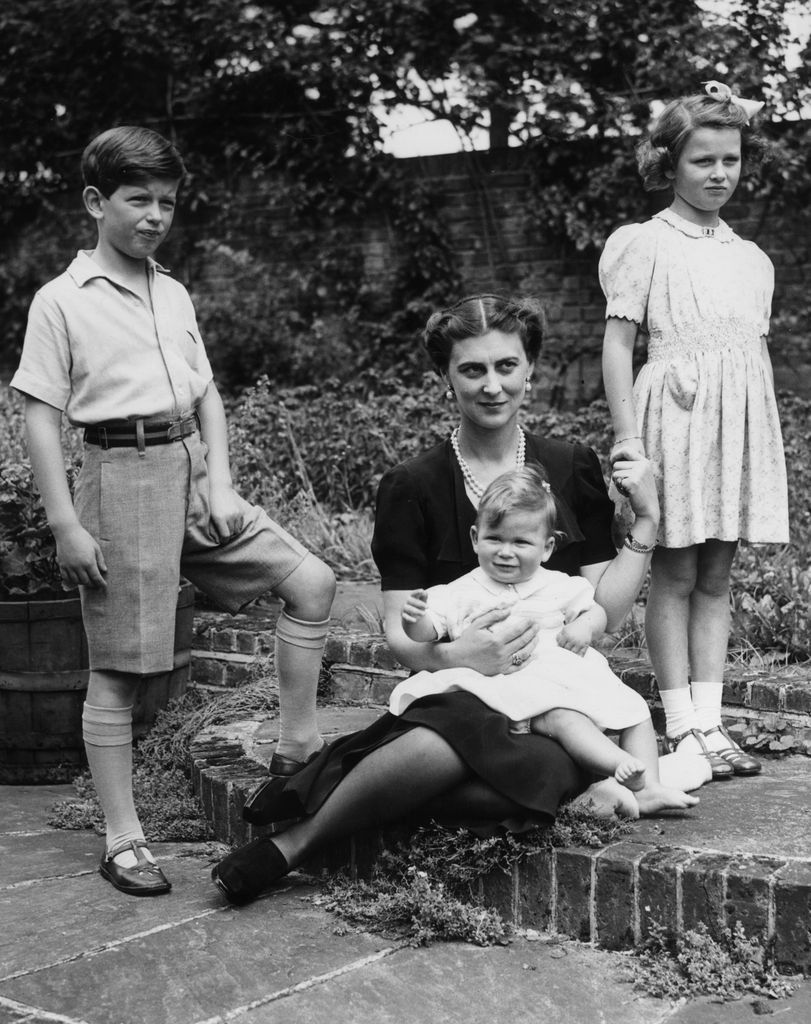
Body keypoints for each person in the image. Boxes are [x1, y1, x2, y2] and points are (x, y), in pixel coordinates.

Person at [211, 293, 697, 907]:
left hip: (555, 704)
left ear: (529, 370)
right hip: (458, 699)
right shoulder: (412, 487)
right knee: (461, 735)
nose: (492, 386)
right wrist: (463, 655)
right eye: (472, 370)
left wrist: (647, 520)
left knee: (532, 765)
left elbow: (605, 611)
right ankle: (296, 846)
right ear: (446, 379)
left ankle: (341, 809)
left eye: (506, 366)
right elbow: (400, 635)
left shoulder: (570, 467)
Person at [10, 126, 335, 897]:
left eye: (168, 202)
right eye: (138, 200)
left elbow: (207, 393)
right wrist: (65, 523)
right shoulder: (62, 301)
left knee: (312, 581)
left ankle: (295, 748)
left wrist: (221, 482)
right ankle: (123, 840)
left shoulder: (173, 288)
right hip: (118, 483)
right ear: (96, 202)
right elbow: (39, 419)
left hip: (190, 473)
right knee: (120, 673)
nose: (156, 215)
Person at [600, 83, 789, 781]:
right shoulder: (644, 244)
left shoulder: (751, 259)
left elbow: (745, 363)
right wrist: (628, 444)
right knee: (673, 571)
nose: (718, 174)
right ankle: (679, 726)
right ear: (669, 164)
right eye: (701, 160)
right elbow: (618, 347)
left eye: (730, 160)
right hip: (671, 424)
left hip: (731, 428)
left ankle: (711, 724)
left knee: (716, 573)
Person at [391, 465, 702, 811]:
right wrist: (414, 619)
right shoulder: (461, 591)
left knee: (636, 709)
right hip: (505, 689)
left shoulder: (558, 585)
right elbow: (427, 632)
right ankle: (616, 765)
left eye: (521, 542)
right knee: (567, 719)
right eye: (494, 539)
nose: (506, 551)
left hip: (561, 679)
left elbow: (596, 611)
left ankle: (648, 788)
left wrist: (584, 628)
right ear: (475, 537)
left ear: (547, 546)